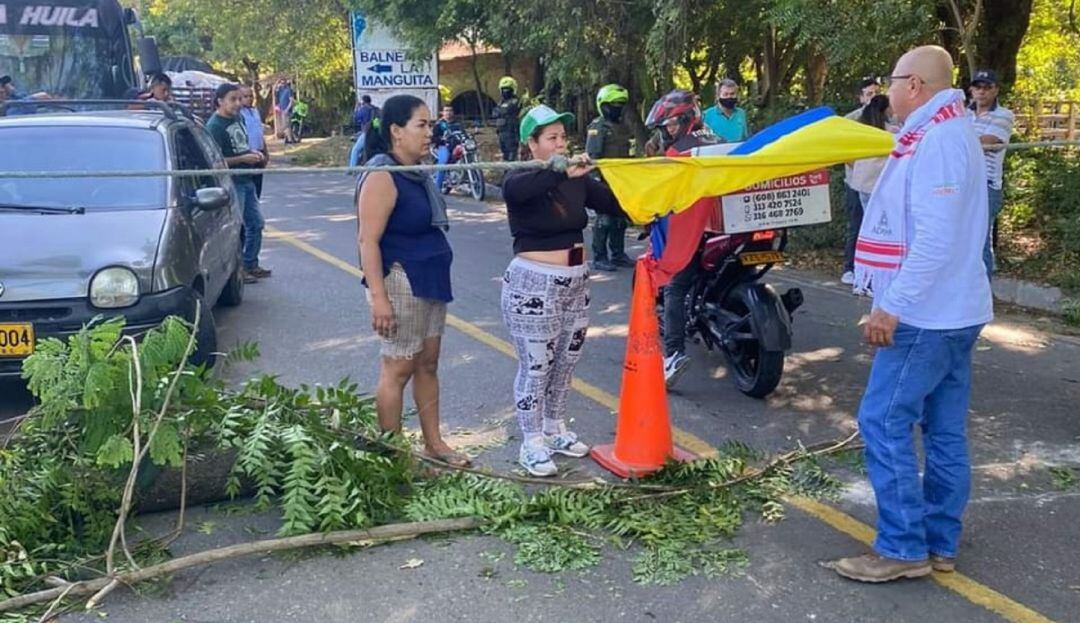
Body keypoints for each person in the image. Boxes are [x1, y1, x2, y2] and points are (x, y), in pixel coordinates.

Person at [833, 45, 993, 583]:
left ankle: (903, 547)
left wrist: (891, 306)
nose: (887, 93)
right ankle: (939, 542)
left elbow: (936, 239)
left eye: (893, 82)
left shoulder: (940, 141)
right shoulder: (940, 132)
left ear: (916, 86)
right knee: (944, 429)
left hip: (929, 315)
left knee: (882, 420)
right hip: (955, 309)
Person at [501, 105, 628, 477]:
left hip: (576, 281)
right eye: (551, 138)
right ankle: (532, 442)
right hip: (532, 283)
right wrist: (560, 171)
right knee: (536, 366)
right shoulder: (520, 177)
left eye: (562, 137)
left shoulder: (575, 177)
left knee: (565, 363)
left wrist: (659, 197)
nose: (560, 144)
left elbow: (613, 203)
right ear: (532, 144)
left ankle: (555, 428)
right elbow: (521, 190)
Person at [355, 94, 468, 467]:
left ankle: (434, 444)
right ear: (395, 131)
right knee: (398, 367)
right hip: (402, 281)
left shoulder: (416, 172)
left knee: (428, 364)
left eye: (431, 125)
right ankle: (393, 456)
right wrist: (379, 298)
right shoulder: (382, 175)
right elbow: (367, 241)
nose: (429, 133)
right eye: (421, 125)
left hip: (431, 278)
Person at [647, 90, 719, 388]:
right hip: (725, 228)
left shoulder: (679, 153)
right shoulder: (716, 140)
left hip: (696, 231)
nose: (668, 131)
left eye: (672, 125)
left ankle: (673, 355)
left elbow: (665, 193)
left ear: (687, 120)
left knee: (676, 287)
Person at [206, 83, 271, 283]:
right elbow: (215, 162)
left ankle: (250, 263)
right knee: (236, 228)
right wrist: (242, 159)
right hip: (232, 183)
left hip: (247, 179)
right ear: (220, 102)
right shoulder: (215, 126)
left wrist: (255, 154)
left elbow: (243, 144)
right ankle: (236, 271)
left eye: (239, 99)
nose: (238, 103)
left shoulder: (239, 117)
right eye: (232, 100)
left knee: (256, 224)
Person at [848, 95, 900, 296]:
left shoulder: (861, 132)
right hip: (880, 188)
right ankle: (872, 280)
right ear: (886, 110)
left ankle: (861, 278)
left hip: (862, 185)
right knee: (879, 234)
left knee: (864, 231)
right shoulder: (892, 133)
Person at [968, 69, 1015, 279]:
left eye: (987, 87)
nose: (982, 92)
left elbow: (988, 141)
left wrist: (956, 141)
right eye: (978, 87)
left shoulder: (1004, 115)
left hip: (986, 185)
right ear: (971, 90)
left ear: (995, 90)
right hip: (961, 182)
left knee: (979, 240)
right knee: (961, 239)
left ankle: (983, 294)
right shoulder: (963, 113)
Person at [586, 84, 634, 272]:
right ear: (603, 105)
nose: (617, 107)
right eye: (613, 104)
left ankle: (618, 254)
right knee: (604, 220)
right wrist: (596, 182)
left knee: (619, 220)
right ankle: (599, 256)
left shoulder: (622, 127)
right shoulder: (598, 127)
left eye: (621, 104)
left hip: (621, 181)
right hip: (603, 180)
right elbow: (592, 157)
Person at [842, 78, 884, 285]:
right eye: (869, 94)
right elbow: (844, 152)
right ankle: (849, 268)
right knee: (857, 225)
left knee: (876, 227)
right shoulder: (852, 120)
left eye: (877, 93)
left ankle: (871, 270)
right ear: (861, 97)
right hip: (855, 182)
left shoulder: (886, 120)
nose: (873, 97)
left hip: (878, 184)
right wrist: (859, 168)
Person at [239, 85, 269, 199]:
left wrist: (266, 151)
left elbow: (259, 132)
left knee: (258, 187)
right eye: (245, 96)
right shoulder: (239, 114)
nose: (249, 99)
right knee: (249, 188)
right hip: (247, 154)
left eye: (251, 96)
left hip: (259, 152)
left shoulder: (255, 111)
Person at [431, 105, 463, 192]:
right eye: (446, 110)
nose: (448, 112)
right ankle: (437, 189)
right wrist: (442, 140)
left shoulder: (458, 124)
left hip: (456, 146)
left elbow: (463, 134)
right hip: (443, 147)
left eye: (450, 110)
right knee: (443, 162)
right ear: (442, 113)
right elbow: (433, 138)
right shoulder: (439, 124)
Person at [492, 76, 521, 162]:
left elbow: (505, 110)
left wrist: (501, 110)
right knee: (505, 155)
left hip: (511, 132)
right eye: (503, 89)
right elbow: (495, 113)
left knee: (511, 155)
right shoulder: (501, 102)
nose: (505, 92)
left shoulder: (516, 101)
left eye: (507, 89)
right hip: (501, 133)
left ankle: (511, 172)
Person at [349, 95, 379, 168]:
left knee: (355, 150)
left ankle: (351, 169)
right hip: (376, 133)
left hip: (367, 133)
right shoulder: (375, 109)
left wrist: (357, 108)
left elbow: (355, 119)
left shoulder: (364, 109)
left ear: (363, 101)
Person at [275, 78, 296, 143]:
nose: (282, 84)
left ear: (286, 83)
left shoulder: (289, 90)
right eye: (281, 83)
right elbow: (275, 90)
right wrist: (277, 83)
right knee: (285, 125)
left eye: (283, 83)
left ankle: (290, 140)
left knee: (286, 125)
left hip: (286, 110)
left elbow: (291, 101)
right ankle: (289, 139)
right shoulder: (280, 90)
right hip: (282, 109)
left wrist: (287, 109)